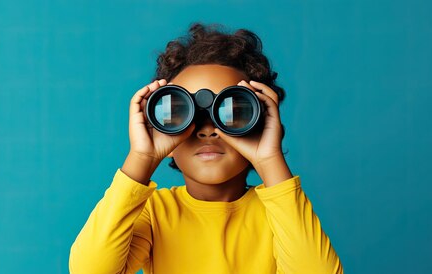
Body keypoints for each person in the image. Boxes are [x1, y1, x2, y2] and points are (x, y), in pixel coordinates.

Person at [69, 22, 343, 274]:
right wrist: (142, 157)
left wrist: (270, 160)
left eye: (232, 112)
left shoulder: (279, 215)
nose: (207, 128)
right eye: (181, 113)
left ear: (260, 123)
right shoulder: (155, 214)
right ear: (162, 130)